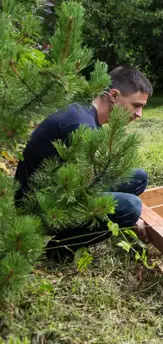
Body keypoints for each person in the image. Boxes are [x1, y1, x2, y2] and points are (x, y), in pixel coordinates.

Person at [14, 66, 153, 261]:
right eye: (136, 105)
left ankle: (107, 223)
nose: (139, 114)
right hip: (38, 207)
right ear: (114, 95)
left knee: (138, 178)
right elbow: (82, 190)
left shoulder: (85, 112)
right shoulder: (80, 126)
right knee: (131, 207)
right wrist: (132, 217)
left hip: (58, 190)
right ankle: (60, 250)